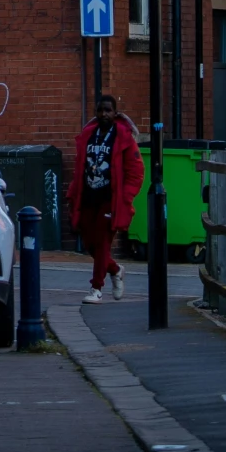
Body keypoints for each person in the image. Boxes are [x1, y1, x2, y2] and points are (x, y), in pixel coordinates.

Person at [66, 92, 143, 303]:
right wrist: (73, 194)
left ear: (115, 113)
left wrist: (125, 198)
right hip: (88, 197)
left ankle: (96, 289)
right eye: (100, 110)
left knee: (101, 243)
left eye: (108, 110)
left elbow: (136, 172)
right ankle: (116, 269)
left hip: (110, 200)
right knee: (90, 244)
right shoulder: (89, 134)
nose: (103, 114)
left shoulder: (123, 137)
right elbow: (79, 168)